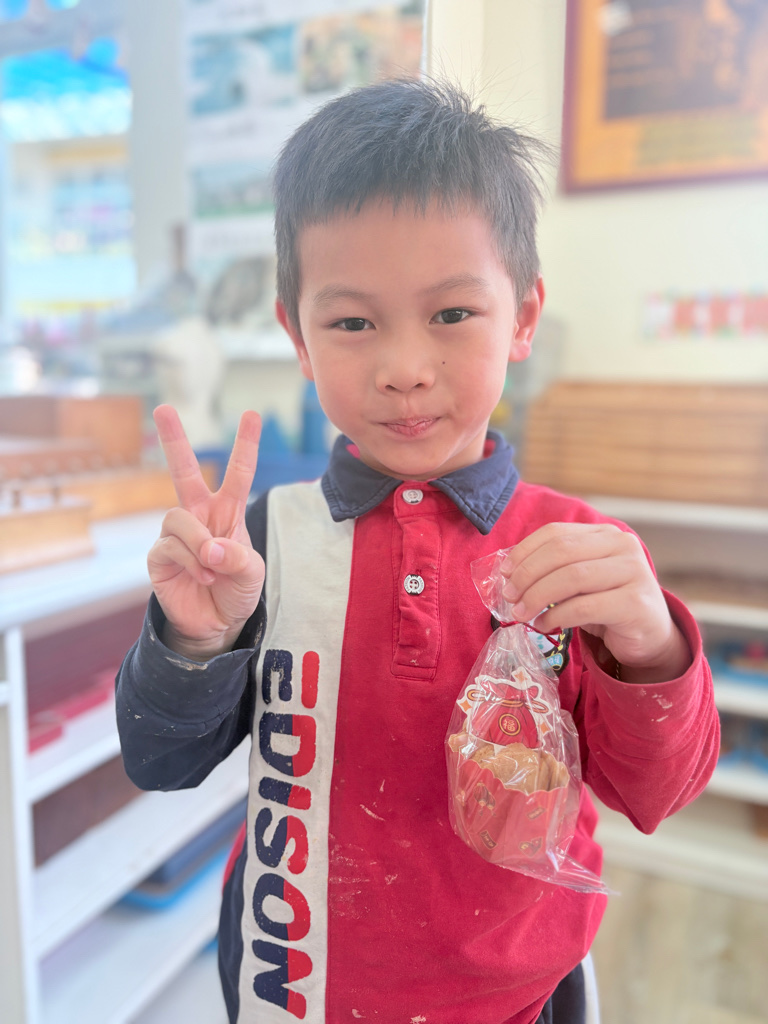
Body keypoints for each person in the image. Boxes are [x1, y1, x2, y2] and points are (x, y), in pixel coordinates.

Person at [116, 79, 719, 1024]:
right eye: (353, 323)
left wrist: (652, 647)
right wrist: (193, 641)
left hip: (521, 995)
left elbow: (657, 792)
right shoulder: (261, 545)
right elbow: (161, 759)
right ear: (298, 337)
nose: (403, 368)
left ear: (523, 317)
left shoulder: (578, 555)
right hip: (290, 977)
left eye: (452, 315)